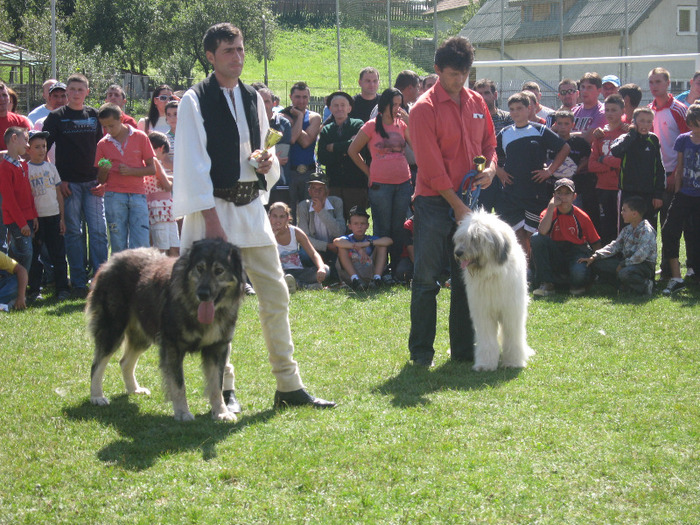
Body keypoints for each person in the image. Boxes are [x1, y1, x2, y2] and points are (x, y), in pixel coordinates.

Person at [172, 22, 335, 411]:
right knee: (217, 303)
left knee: (276, 294)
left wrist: (265, 166)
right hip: (214, 211)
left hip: (251, 211)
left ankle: (288, 385)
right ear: (210, 56)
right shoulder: (195, 100)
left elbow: (265, 152)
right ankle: (224, 387)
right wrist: (211, 224)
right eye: (229, 50)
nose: (238, 56)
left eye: (241, 49)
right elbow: (193, 164)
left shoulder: (251, 97)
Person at [408, 36, 497, 367]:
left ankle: (463, 351)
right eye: (452, 74)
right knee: (427, 280)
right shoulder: (422, 110)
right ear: (437, 70)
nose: (459, 80)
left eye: (464, 73)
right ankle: (421, 353)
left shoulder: (477, 102)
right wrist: (458, 207)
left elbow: (490, 143)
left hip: (468, 202)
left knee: (467, 280)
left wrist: (490, 168)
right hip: (434, 205)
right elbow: (430, 167)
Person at [43, 73, 107, 297]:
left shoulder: (95, 115)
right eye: (72, 89)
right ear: (67, 92)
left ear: (87, 92)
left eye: (81, 89)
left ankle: (101, 281)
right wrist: (58, 179)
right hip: (69, 185)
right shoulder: (56, 117)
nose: (76, 93)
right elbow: (43, 150)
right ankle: (78, 282)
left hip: (93, 183)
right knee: (73, 233)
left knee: (98, 232)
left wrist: (104, 179)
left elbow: (105, 150)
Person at [496, 92, 570, 258]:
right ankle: (526, 269)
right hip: (512, 191)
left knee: (534, 234)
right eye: (512, 109)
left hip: (535, 191)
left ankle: (538, 268)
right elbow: (490, 155)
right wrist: (499, 171)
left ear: (529, 109)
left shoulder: (540, 130)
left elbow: (564, 148)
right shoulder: (505, 133)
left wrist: (549, 171)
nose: (515, 112)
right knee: (518, 233)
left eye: (519, 108)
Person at [348, 87, 412, 278]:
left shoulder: (403, 125)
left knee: (399, 226)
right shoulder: (370, 126)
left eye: (400, 104)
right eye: (394, 104)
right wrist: (369, 172)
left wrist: (410, 122)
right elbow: (353, 151)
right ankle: (381, 268)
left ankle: (397, 267)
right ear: (384, 105)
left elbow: (418, 146)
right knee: (382, 226)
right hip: (380, 185)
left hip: (403, 182)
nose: (398, 108)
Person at [95, 103, 155, 254]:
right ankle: (119, 276)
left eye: (111, 126)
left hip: (137, 195)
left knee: (141, 241)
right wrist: (104, 170)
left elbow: (152, 168)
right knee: (117, 240)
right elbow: (101, 180)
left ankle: (140, 275)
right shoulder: (103, 144)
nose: (108, 130)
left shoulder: (140, 137)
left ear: (121, 119)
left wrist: (131, 171)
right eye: (104, 127)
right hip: (114, 195)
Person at [531, 178, 601, 296]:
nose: (563, 197)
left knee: (578, 276)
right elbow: (542, 231)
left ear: (574, 197)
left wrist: (594, 260)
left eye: (567, 193)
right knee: (536, 237)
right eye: (559, 193)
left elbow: (596, 243)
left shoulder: (582, 216)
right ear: (554, 196)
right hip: (556, 253)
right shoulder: (548, 212)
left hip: (576, 253)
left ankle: (573, 282)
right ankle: (547, 284)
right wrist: (551, 207)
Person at [580, 196, 656, 296]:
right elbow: (615, 246)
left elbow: (640, 256)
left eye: (624, 210)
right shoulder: (627, 229)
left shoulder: (646, 231)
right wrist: (595, 256)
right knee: (597, 264)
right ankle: (625, 287)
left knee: (624, 273)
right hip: (627, 263)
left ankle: (645, 285)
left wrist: (623, 264)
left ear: (634, 214)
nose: (621, 213)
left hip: (643, 265)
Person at [660, 103, 700, 294]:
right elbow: (680, 168)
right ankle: (676, 277)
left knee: (695, 234)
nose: (697, 129)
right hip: (684, 194)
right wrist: (677, 192)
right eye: (694, 125)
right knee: (669, 231)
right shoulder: (683, 139)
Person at [25, 130, 69, 301]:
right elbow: (27, 196)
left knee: (58, 254)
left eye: (44, 146)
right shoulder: (25, 169)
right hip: (36, 219)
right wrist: (33, 216)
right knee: (35, 255)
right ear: (28, 149)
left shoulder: (51, 168)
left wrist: (62, 218)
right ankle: (34, 289)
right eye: (37, 147)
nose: (42, 150)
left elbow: (58, 194)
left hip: (54, 216)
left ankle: (62, 288)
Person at [610, 107, 665, 228]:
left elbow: (659, 168)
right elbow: (615, 151)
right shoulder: (626, 138)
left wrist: (658, 194)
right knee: (626, 228)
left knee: (649, 228)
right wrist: (632, 134)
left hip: (648, 193)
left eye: (649, 121)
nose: (645, 125)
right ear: (634, 122)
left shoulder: (653, 139)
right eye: (642, 121)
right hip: (628, 192)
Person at [316, 91, 367, 219]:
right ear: (330, 108)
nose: (339, 108)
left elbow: (361, 148)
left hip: (355, 184)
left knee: (356, 220)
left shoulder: (358, 124)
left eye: (343, 105)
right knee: (336, 220)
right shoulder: (326, 130)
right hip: (334, 184)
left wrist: (334, 147)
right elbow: (322, 157)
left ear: (349, 108)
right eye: (336, 105)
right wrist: (348, 149)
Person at [588, 94, 626, 244]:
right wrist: (611, 166)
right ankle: (606, 260)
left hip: (620, 188)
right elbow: (592, 165)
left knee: (620, 225)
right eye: (607, 110)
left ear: (622, 111)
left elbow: (624, 163)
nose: (610, 114)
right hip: (602, 187)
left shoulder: (626, 132)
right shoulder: (600, 135)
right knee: (605, 226)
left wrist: (603, 160)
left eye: (614, 110)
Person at [269, 201, 329, 292]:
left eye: (282, 216)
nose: (278, 220)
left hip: (297, 271)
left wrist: (321, 268)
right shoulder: (265, 234)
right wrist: (272, 237)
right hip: (276, 272)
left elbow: (313, 253)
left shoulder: (296, 232)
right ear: (269, 217)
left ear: (288, 218)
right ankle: (304, 286)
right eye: (275, 216)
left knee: (326, 269)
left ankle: (293, 284)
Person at [0, 127, 37, 271]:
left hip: (27, 218)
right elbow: (9, 200)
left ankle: (15, 287)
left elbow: (29, 193)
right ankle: (18, 287)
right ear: (14, 138)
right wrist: (22, 223)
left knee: (19, 251)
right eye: (25, 140)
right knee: (26, 253)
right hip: (16, 220)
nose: (27, 145)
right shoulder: (4, 168)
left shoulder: (22, 165)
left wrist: (33, 216)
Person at [474, 79, 513, 213]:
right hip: (482, 174)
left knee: (505, 218)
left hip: (506, 175)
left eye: (486, 93)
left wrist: (500, 170)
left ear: (495, 95)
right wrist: (495, 170)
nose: (483, 97)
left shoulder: (508, 118)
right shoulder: (471, 120)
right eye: (479, 94)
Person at [285, 81, 322, 221]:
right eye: (297, 97)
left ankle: (307, 242)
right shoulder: (282, 117)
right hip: (289, 172)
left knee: (309, 213)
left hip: (308, 172)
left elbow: (306, 141)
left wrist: (296, 119)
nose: (301, 101)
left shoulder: (314, 117)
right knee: (289, 214)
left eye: (304, 97)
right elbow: (293, 140)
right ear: (290, 97)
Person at [333, 205, 391, 290]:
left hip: (368, 269)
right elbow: (336, 241)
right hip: (351, 272)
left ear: (367, 225)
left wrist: (366, 244)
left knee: (382, 246)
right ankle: (355, 280)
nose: (359, 226)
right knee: (342, 248)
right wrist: (358, 248)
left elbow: (389, 241)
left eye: (362, 224)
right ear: (350, 226)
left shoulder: (369, 239)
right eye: (356, 224)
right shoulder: (348, 238)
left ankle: (376, 279)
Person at [295, 170, 345, 268]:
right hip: (314, 248)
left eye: (320, 189)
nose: (316, 192)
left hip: (335, 247)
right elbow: (304, 238)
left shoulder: (336, 202)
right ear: (309, 191)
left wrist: (321, 211)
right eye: (313, 188)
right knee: (304, 256)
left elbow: (340, 232)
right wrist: (326, 246)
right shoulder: (303, 206)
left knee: (344, 254)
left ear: (327, 192)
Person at [145, 131, 179, 256]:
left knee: (169, 246)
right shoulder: (154, 161)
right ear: (161, 148)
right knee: (164, 249)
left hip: (161, 209)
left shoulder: (146, 163)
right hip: (161, 209)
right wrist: (171, 183)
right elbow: (166, 185)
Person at [259, 88, 292, 205]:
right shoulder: (249, 123)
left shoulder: (283, 124)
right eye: (260, 101)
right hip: (257, 184)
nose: (263, 105)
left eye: (266, 101)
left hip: (279, 183)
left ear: (274, 103)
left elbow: (282, 157)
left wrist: (260, 158)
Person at [0, 83, 32, 150]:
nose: (2, 99)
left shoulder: (20, 121)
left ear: (9, 98)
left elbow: (29, 149)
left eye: (4, 95)